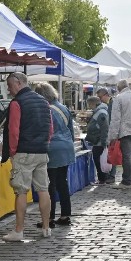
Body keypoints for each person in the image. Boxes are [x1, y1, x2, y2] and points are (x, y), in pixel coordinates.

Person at [1, 72, 53, 241]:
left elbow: (13, 131)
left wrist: (12, 151)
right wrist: (44, 144)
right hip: (41, 151)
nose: (9, 91)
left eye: (9, 86)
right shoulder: (44, 102)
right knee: (43, 190)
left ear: (17, 83)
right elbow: (50, 129)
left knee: (21, 191)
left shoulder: (17, 103)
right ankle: (46, 228)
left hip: (23, 151)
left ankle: (19, 230)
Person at [34, 82, 75, 227]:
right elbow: (71, 129)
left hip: (52, 148)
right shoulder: (63, 107)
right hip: (66, 147)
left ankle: (49, 218)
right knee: (62, 182)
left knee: (49, 184)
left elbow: (43, 130)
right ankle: (65, 215)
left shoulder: (45, 109)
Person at [108, 80, 131, 188]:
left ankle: (126, 181)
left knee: (127, 156)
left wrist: (113, 136)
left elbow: (115, 119)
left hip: (124, 131)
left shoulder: (119, 98)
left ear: (119, 88)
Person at [86, 96, 111, 185]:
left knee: (99, 160)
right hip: (98, 140)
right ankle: (102, 178)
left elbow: (104, 128)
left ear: (93, 103)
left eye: (89, 104)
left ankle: (102, 179)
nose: (89, 106)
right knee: (99, 159)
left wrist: (104, 142)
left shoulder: (101, 112)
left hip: (99, 141)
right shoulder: (99, 111)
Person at [95, 87, 117, 183]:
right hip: (106, 132)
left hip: (111, 131)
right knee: (107, 154)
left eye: (100, 97)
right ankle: (106, 174)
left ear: (105, 95)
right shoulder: (104, 104)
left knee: (111, 153)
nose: (99, 99)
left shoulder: (113, 104)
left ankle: (111, 175)